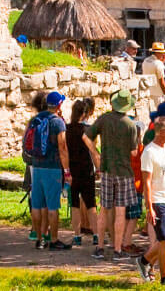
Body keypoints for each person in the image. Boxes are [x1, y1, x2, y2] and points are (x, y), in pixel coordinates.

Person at [86, 90, 142, 259]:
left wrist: (96, 153)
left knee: (104, 209)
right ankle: (118, 249)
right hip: (124, 172)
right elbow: (133, 153)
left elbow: (86, 137)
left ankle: (100, 247)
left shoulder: (104, 119)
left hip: (107, 170)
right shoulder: (130, 125)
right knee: (120, 212)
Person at [23, 91, 71, 250]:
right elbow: (62, 148)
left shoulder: (36, 119)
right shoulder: (58, 123)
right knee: (52, 206)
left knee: (37, 204)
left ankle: (39, 238)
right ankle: (54, 239)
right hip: (52, 167)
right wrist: (67, 171)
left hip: (36, 166)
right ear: (59, 105)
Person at [136, 117, 165, 286]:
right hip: (157, 200)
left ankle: (145, 261)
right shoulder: (149, 152)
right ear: (161, 132)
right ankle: (164, 278)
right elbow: (146, 181)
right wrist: (149, 207)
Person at [65, 98, 98, 247]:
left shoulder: (66, 129)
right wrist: (99, 167)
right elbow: (93, 152)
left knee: (75, 204)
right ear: (84, 114)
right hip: (86, 170)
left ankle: (77, 235)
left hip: (72, 170)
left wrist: (66, 171)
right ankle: (96, 234)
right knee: (91, 204)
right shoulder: (86, 131)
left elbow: (64, 151)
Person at [143, 43, 165, 110]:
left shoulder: (145, 61)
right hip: (158, 94)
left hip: (147, 93)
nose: (164, 55)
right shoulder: (159, 64)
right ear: (157, 53)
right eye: (162, 53)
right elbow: (162, 81)